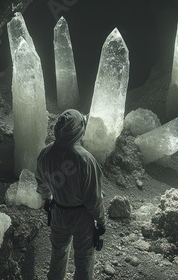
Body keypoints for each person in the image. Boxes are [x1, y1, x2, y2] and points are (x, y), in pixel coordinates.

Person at [36, 109, 106, 280]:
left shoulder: (45, 153)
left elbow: (41, 181)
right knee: (83, 259)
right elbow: (93, 198)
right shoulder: (85, 160)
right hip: (81, 216)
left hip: (58, 211)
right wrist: (101, 220)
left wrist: (47, 198)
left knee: (58, 253)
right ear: (78, 130)